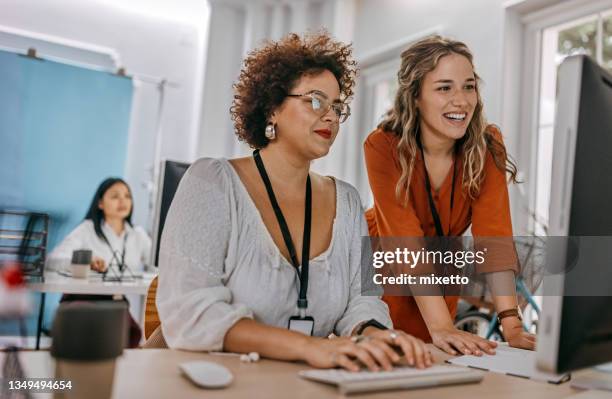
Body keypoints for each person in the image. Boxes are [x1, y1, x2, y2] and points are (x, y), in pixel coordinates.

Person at [157, 32, 433, 371]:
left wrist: (376, 336)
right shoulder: (212, 182)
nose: (331, 116)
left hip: (307, 384)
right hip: (215, 382)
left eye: (337, 107)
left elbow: (363, 301)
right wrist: (309, 347)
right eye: (316, 101)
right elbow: (191, 312)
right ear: (272, 107)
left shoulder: (346, 201)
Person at [364, 35, 536, 357]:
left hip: (443, 270)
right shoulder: (382, 146)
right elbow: (405, 241)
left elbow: (494, 237)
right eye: (445, 88)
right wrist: (441, 326)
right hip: (385, 267)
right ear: (415, 96)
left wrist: (511, 324)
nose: (461, 100)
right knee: (392, 362)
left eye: (468, 86)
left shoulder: (487, 146)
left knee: (441, 361)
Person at [48, 177, 151, 347]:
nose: (122, 201)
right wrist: (85, 261)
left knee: (130, 334)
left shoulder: (138, 235)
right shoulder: (86, 229)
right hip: (80, 299)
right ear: (100, 203)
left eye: (127, 196)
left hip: (115, 303)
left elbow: (159, 265)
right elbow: (53, 261)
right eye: (115, 196)